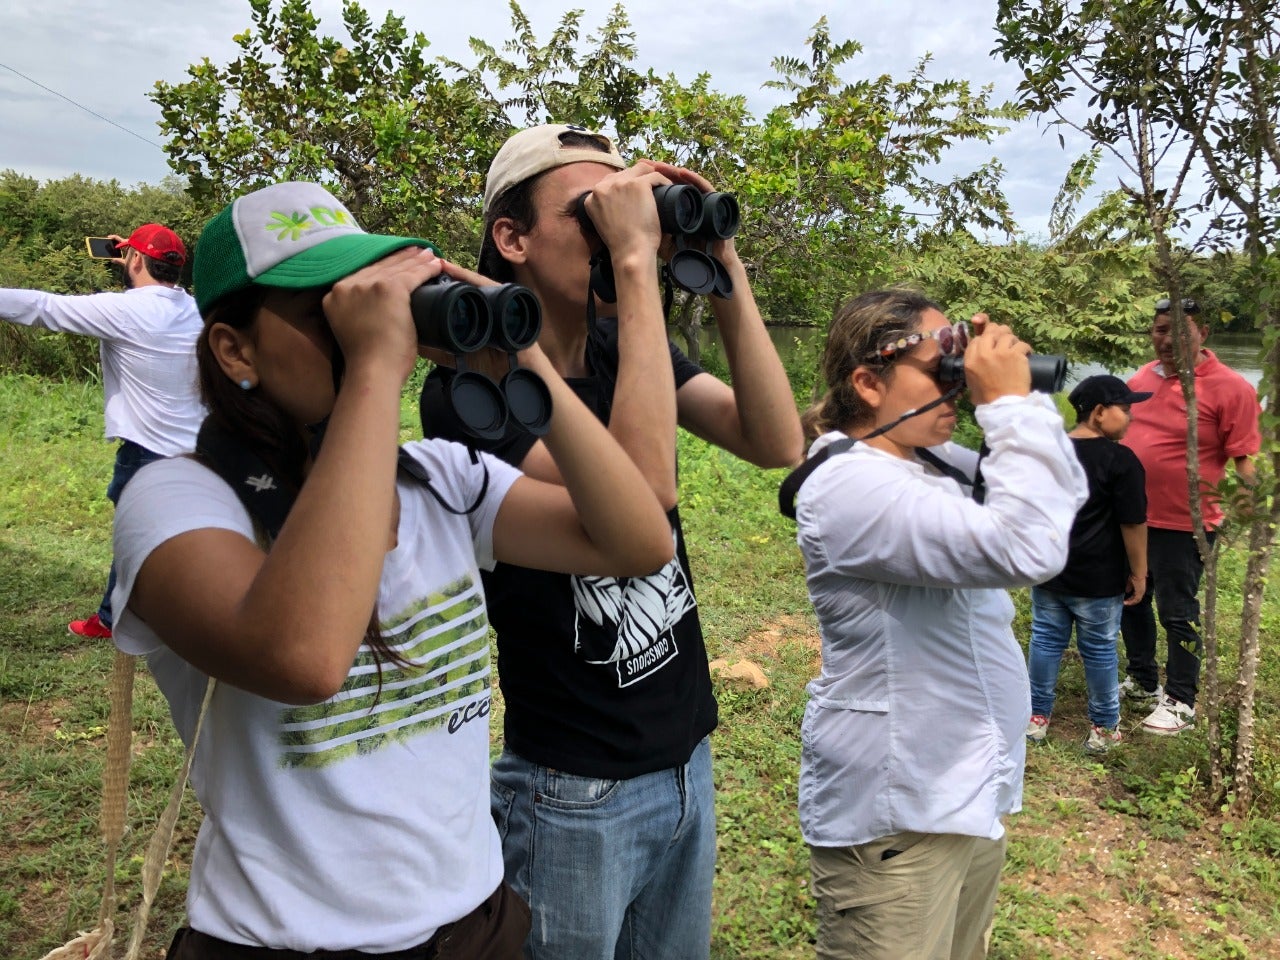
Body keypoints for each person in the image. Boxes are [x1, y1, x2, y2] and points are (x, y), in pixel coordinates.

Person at [108, 181, 675, 959]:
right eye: (328, 314)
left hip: (475, 924)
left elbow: (638, 540)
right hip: (289, 943)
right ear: (235, 349)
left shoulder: (442, 479)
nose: (368, 331)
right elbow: (304, 657)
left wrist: (528, 363)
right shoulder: (174, 500)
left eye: (372, 304)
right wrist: (375, 365)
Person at [420, 124, 803, 959]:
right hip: (570, 786)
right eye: (590, 214)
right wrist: (634, 264)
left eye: (623, 211)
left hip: (682, 756)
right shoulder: (470, 388)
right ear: (510, 239)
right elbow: (645, 493)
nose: (615, 231)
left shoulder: (617, 347)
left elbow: (775, 439)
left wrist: (721, 260)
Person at [792, 289, 1086, 960]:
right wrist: (1007, 405)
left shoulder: (930, 461)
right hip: (900, 815)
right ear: (868, 383)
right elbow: (1029, 550)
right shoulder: (849, 487)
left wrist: (1024, 396)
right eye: (941, 369)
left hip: (964, 795)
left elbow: (1058, 498)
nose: (957, 385)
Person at [0, 224, 203, 639]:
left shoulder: (126, 310)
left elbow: (43, 307)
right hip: (200, 450)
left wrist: (131, 262)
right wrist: (131, 260)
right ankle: (123, 615)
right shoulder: (195, 309)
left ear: (138, 261)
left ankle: (123, 619)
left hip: (148, 452)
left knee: (136, 539)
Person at [1119, 297, 1261, 735]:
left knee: (1178, 612)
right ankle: (1143, 680)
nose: (1167, 340)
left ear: (1203, 334)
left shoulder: (1231, 387)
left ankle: (1181, 698)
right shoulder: (1141, 377)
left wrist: (1254, 515)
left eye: (1180, 332)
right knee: (1130, 600)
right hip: (1131, 517)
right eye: (1161, 330)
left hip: (1185, 523)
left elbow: (1243, 460)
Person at [1025, 374, 1150, 754]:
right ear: (1098, 413)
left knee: (1045, 640)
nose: (1130, 418)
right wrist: (1139, 572)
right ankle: (1104, 727)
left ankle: (1035, 718)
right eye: (1124, 410)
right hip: (1099, 579)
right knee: (1098, 649)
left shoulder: (1050, 449)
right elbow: (1132, 523)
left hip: (1050, 571)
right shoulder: (1121, 460)